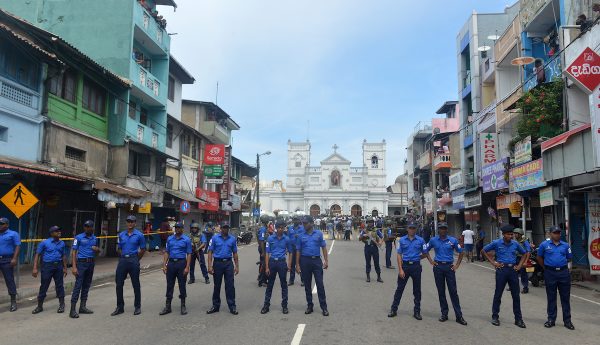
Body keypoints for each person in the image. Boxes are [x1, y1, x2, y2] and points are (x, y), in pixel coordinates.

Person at [482, 224, 527, 328]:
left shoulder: (515, 244)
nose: (511, 236)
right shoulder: (497, 243)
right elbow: (484, 250)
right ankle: (495, 317)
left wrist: (519, 266)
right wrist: (493, 263)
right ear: (503, 234)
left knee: (516, 296)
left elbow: (524, 253)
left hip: (513, 271)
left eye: (512, 234)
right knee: (498, 294)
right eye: (508, 234)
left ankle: (518, 319)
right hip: (501, 270)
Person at [425, 223, 467, 325]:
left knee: (453, 292)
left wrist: (456, 265)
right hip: (438, 267)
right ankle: (444, 314)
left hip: (449, 268)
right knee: (441, 291)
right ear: (438, 230)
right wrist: (431, 261)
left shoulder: (452, 240)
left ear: (447, 230)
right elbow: (425, 250)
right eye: (441, 229)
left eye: (444, 228)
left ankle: (459, 316)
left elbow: (461, 252)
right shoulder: (433, 240)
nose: (443, 230)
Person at [537, 226, 575, 330]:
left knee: (565, 298)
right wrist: (546, 268)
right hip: (550, 273)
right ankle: (551, 320)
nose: (557, 235)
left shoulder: (566, 245)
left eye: (558, 233)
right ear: (550, 234)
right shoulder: (544, 245)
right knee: (551, 297)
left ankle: (567, 321)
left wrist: (561, 267)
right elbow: (539, 257)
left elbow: (569, 258)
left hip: (563, 273)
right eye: (555, 233)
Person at [388, 223, 426, 319]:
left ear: (416, 229)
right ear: (407, 229)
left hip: (416, 267)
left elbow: (425, 253)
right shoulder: (401, 240)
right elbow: (399, 255)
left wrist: (417, 258)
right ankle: (393, 309)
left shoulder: (421, 240)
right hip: (405, 266)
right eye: (410, 228)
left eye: (413, 228)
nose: (412, 230)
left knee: (417, 290)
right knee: (400, 289)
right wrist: (400, 269)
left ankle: (417, 312)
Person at [111, 215, 146, 316]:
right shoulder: (121, 235)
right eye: (128, 221)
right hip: (123, 261)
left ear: (135, 223)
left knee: (135, 284)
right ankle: (120, 307)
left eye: (132, 222)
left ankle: (137, 306)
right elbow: (119, 248)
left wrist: (136, 259)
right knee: (119, 284)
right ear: (126, 223)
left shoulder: (139, 235)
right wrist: (123, 256)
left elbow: (143, 249)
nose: (130, 223)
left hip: (133, 260)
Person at [296, 215, 329, 316]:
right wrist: (297, 264)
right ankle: (310, 305)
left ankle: (324, 307)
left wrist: (326, 260)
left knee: (320, 284)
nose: (304, 225)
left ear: (311, 223)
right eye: (303, 223)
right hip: (305, 261)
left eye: (306, 223)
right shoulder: (301, 235)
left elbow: (323, 247)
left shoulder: (318, 234)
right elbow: (298, 250)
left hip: (316, 261)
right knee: (307, 285)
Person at [32, 225, 67, 314]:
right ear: (51, 233)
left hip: (58, 266)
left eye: (59, 230)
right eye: (56, 231)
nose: (59, 232)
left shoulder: (62, 243)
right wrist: (35, 268)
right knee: (44, 286)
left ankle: (62, 305)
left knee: (60, 285)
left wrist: (65, 268)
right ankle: (39, 306)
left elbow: (63, 256)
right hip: (47, 266)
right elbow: (37, 255)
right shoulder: (44, 243)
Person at [69, 220, 100, 318]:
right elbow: (74, 252)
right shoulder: (78, 237)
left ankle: (82, 307)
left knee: (86, 285)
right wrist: (74, 266)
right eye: (85, 226)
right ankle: (72, 310)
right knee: (78, 286)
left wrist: (97, 250)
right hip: (81, 264)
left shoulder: (95, 238)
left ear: (92, 228)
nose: (86, 228)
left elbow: (98, 251)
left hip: (91, 263)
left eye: (89, 227)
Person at [159, 222, 192, 316]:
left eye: (178, 227)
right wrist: (164, 264)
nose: (177, 229)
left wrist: (187, 267)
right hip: (171, 263)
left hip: (181, 263)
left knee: (182, 285)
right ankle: (168, 306)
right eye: (176, 227)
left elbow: (189, 253)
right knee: (169, 285)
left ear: (182, 229)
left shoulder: (186, 239)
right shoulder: (170, 239)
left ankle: (183, 305)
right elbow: (167, 252)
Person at [207, 224, 239, 315]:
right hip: (217, 263)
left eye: (227, 228)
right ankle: (215, 306)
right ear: (221, 229)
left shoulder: (232, 239)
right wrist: (209, 266)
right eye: (224, 228)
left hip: (228, 264)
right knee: (217, 286)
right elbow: (210, 252)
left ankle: (232, 306)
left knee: (230, 286)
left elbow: (235, 253)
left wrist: (237, 266)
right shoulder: (214, 238)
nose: (225, 229)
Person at [261, 221, 292, 314]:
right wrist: (266, 267)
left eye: (282, 228)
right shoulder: (270, 239)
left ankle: (284, 306)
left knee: (284, 285)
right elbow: (267, 253)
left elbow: (290, 252)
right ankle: (266, 305)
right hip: (272, 262)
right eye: (279, 227)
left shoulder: (287, 239)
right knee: (270, 284)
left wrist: (289, 265)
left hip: (282, 263)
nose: (280, 229)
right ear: (276, 228)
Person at [0, 217, 20, 312]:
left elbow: (17, 246)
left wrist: (14, 258)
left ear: (7, 225)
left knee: (9, 280)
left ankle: (13, 301)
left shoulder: (13, 234)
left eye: (1, 224)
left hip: (7, 260)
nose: (0, 225)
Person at [512, 228, 531, 294]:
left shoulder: (525, 241)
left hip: (522, 258)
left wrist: (525, 261)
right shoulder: (514, 241)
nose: (515, 235)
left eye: (516, 233)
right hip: (515, 258)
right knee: (514, 273)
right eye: (514, 233)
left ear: (520, 234)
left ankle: (525, 288)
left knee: (523, 274)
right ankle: (513, 286)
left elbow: (528, 252)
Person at [288, 216, 304, 286]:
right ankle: (291, 280)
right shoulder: (290, 228)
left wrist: (299, 235)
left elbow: (304, 236)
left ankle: (303, 280)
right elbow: (288, 238)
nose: (296, 221)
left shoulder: (302, 228)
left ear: (299, 221)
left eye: (297, 220)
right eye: (294, 220)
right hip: (292, 248)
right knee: (292, 265)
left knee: (301, 264)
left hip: (300, 249)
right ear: (293, 221)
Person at [257, 220, 268, 287]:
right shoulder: (263, 229)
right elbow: (261, 241)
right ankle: (262, 280)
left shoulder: (263, 228)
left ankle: (260, 278)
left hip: (263, 248)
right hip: (263, 248)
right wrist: (263, 252)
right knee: (264, 264)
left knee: (262, 263)